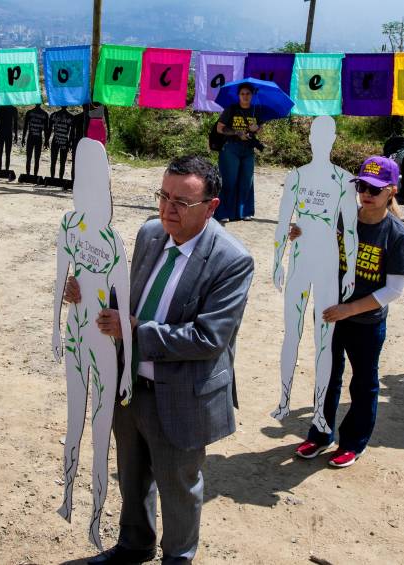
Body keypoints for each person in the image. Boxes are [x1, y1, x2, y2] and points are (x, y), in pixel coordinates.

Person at [65, 155, 254, 564]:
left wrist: (132, 329)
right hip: (130, 385)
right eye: (163, 196)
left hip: (183, 394)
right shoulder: (151, 233)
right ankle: (134, 546)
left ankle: (178, 558)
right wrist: (90, 290)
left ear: (212, 206)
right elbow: (130, 296)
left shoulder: (232, 259)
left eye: (182, 203)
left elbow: (209, 338)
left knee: (178, 487)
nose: (168, 210)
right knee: (132, 477)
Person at [292, 156, 404, 467]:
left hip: (365, 322)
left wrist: (350, 309)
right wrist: (299, 232)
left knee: (363, 382)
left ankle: (354, 442)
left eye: (375, 188)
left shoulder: (396, 234)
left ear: (392, 191)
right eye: (361, 186)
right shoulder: (342, 216)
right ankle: (320, 434)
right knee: (327, 376)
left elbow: (393, 290)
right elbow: (318, 240)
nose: (366, 193)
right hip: (333, 315)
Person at [214, 84, 264, 223]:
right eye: (242, 94)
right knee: (229, 181)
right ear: (238, 95)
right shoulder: (231, 109)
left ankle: (244, 212)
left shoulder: (256, 110)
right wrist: (237, 133)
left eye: (248, 93)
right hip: (231, 149)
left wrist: (257, 128)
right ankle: (222, 212)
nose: (245, 96)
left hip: (248, 149)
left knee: (247, 181)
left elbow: (260, 128)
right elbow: (220, 128)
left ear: (252, 95)